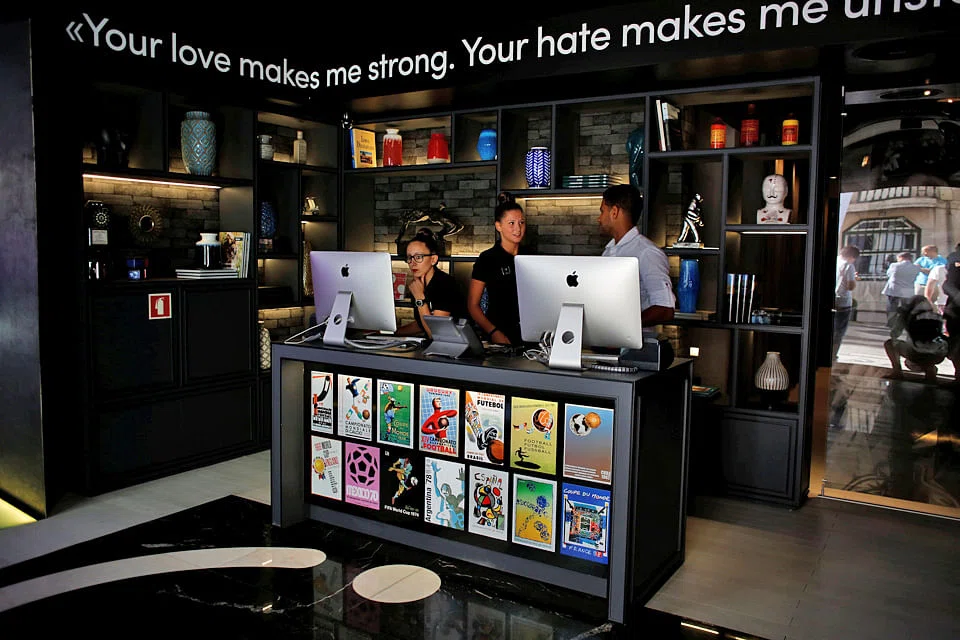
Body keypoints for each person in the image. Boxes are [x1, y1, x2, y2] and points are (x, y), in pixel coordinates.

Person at [597, 184, 675, 324]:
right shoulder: (608, 251)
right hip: (609, 335)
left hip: (637, 338)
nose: (599, 218)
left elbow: (665, 309)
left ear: (614, 212)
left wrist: (626, 326)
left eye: (602, 211)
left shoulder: (647, 252)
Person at [468, 192, 526, 345]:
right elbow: (473, 305)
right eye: (511, 223)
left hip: (529, 336)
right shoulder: (487, 259)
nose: (518, 228)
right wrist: (493, 332)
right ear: (498, 226)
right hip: (500, 336)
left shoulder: (531, 257)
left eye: (521, 222)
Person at [396, 228, 466, 338]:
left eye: (418, 257)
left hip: (458, 344)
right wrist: (389, 333)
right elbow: (421, 324)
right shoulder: (418, 284)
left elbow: (436, 334)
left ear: (433, 259)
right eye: (409, 257)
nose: (413, 263)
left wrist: (420, 299)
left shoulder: (446, 284)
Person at [883, 295, 949, 381]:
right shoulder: (936, 316)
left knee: (890, 344)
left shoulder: (907, 316)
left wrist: (901, 318)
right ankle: (930, 371)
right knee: (929, 349)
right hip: (938, 355)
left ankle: (897, 372)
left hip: (915, 353)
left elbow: (894, 334)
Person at [834, 245, 860, 362]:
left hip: (832, 300)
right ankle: (833, 354)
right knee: (839, 331)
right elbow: (850, 286)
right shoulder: (849, 266)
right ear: (852, 257)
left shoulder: (835, 261)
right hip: (843, 301)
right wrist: (854, 279)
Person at [881, 251, 921, 317]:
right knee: (906, 307)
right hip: (908, 289)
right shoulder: (916, 267)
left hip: (895, 289)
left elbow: (889, 274)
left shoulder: (894, 265)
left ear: (901, 257)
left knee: (892, 306)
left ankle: (892, 320)